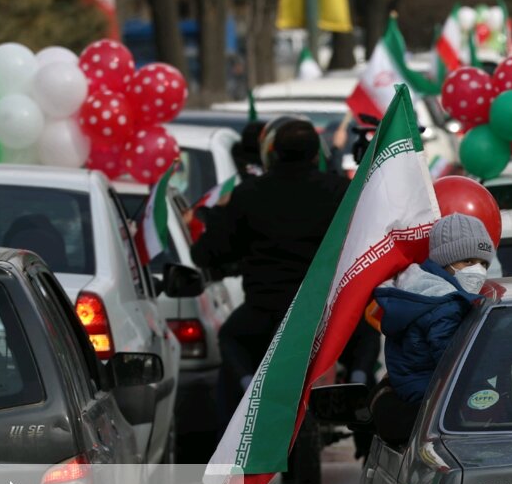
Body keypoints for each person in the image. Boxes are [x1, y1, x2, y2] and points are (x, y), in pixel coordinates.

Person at [192, 117, 349, 427]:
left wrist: (221, 217)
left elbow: (210, 251)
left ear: (272, 152)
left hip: (264, 310)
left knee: (230, 338)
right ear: (317, 154)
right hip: (322, 312)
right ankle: (358, 388)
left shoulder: (248, 194)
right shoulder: (341, 191)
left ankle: (248, 388)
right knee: (364, 343)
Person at [369, 214, 494, 441]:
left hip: (411, 389)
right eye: (467, 261)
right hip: (431, 401)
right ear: (445, 261)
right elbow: (455, 365)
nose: (478, 270)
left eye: (484, 263)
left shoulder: (420, 290)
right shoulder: (444, 305)